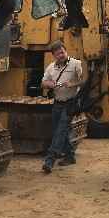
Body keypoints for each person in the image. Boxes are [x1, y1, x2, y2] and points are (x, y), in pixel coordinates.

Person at [40, 40, 83, 173]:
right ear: (54, 55)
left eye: (63, 52)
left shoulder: (76, 64)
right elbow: (43, 83)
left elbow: (85, 79)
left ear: (66, 51)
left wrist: (73, 83)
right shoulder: (51, 67)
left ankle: (49, 161)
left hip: (71, 103)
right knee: (58, 131)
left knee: (61, 130)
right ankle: (70, 156)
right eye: (58, 54)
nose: (61, 55)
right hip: (57, 102)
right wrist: (50, 84)